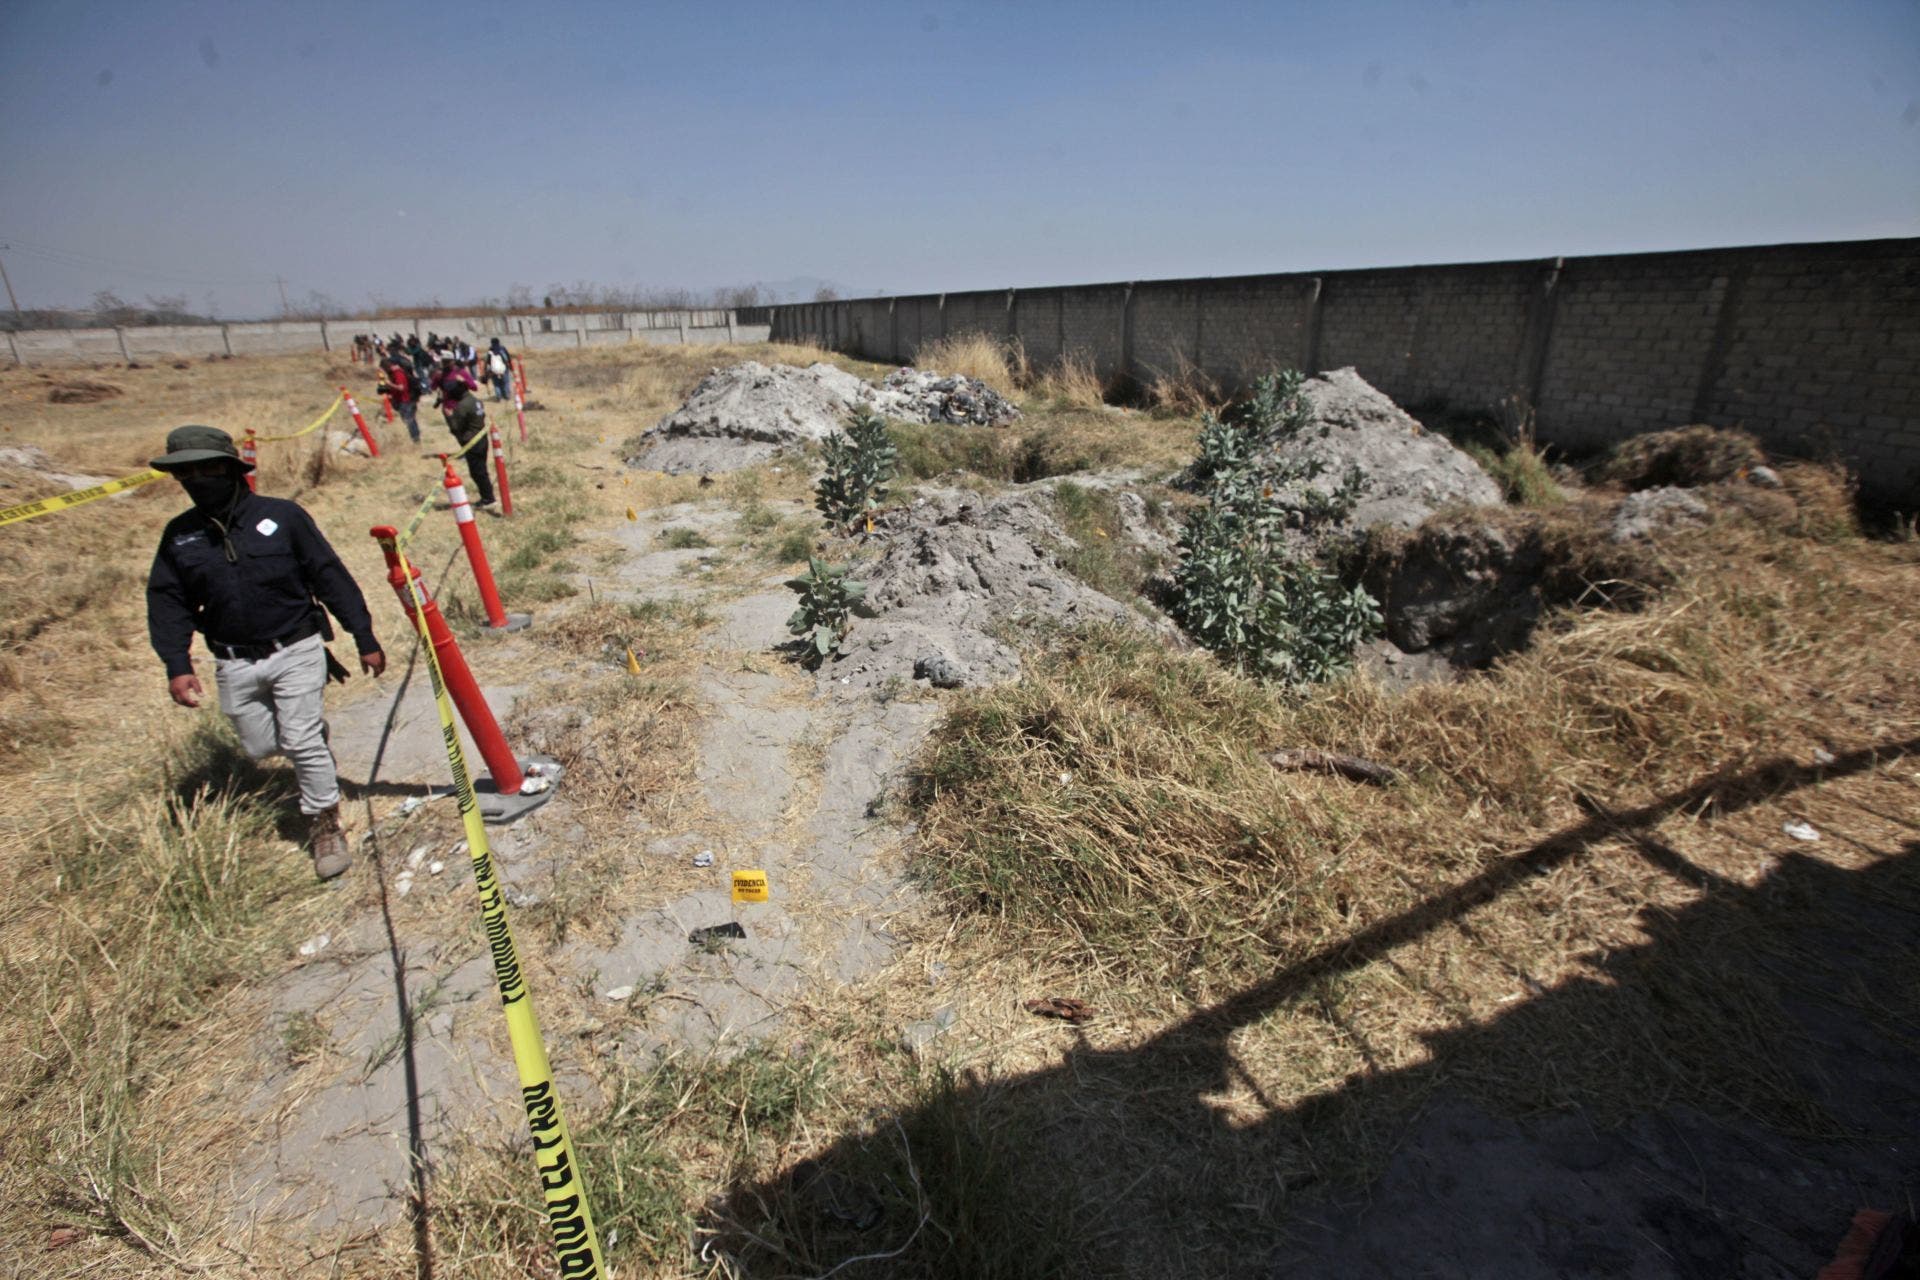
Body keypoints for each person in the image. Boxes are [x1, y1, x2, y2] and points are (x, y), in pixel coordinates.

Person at [145, 426, 386, 880]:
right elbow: (166, 602)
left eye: (209, 468)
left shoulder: (283, 518)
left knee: (299, 741)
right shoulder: (180, 538)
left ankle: (324, 825)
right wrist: (177, 664)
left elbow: (329, 576)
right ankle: (313, 740)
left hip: (296, 647)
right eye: (186, 472)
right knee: (260, 746)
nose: (198, 479)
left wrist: (364, 636)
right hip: (234, 660)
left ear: (234, 470)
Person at [439, 378, 496, 506]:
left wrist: (449, 416)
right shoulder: (475, 400)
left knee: (477, 472)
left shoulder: (462, 406)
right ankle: (488, 496)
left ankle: (488, 498)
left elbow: (455, 428)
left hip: (472, 443)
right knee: (481, 470)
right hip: (481, 439)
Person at [378, 352, 420, 443]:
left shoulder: (398, 373)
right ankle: (415, 439)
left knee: (409, 421)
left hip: (406, 401)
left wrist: (389, 384)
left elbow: (401, 388)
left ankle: (416, 440)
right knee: (408, 421)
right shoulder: (392, 373)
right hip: (401, 401)